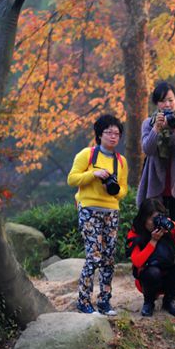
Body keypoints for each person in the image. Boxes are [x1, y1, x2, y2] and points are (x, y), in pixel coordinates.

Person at [68, 114, 129, 315]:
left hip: (111, 211)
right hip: (89, 210)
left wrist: (114, 188)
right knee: (93, 256)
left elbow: (123, 191)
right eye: (109, 132)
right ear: (99, 134)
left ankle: (104, 301)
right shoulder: (87, 155)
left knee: (108, 258)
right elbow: (72, 179)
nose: (113, 137)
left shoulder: (121, 161)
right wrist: (93, 174)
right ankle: (84, 301)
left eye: (117, 133)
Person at [136, 81, 175, 225]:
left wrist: (174, 129)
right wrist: (156, 129)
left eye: (170, 100)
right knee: (156, 226)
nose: (167, 105)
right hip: (156, 182)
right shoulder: (148, 123)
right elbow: (147, 149)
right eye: (162, 101)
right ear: (156, 103)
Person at [126, 198, 175, 317]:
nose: (154, 223)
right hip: (149, 280)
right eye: (151, 219)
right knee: (152, 272)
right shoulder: (135, 233)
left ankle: (169, 301)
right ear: (143, 218)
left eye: (157, 218)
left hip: (169, 276)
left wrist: (172, 225)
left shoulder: (166, 229)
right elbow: (137, 262)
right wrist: (153, 241)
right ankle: (149, 302)